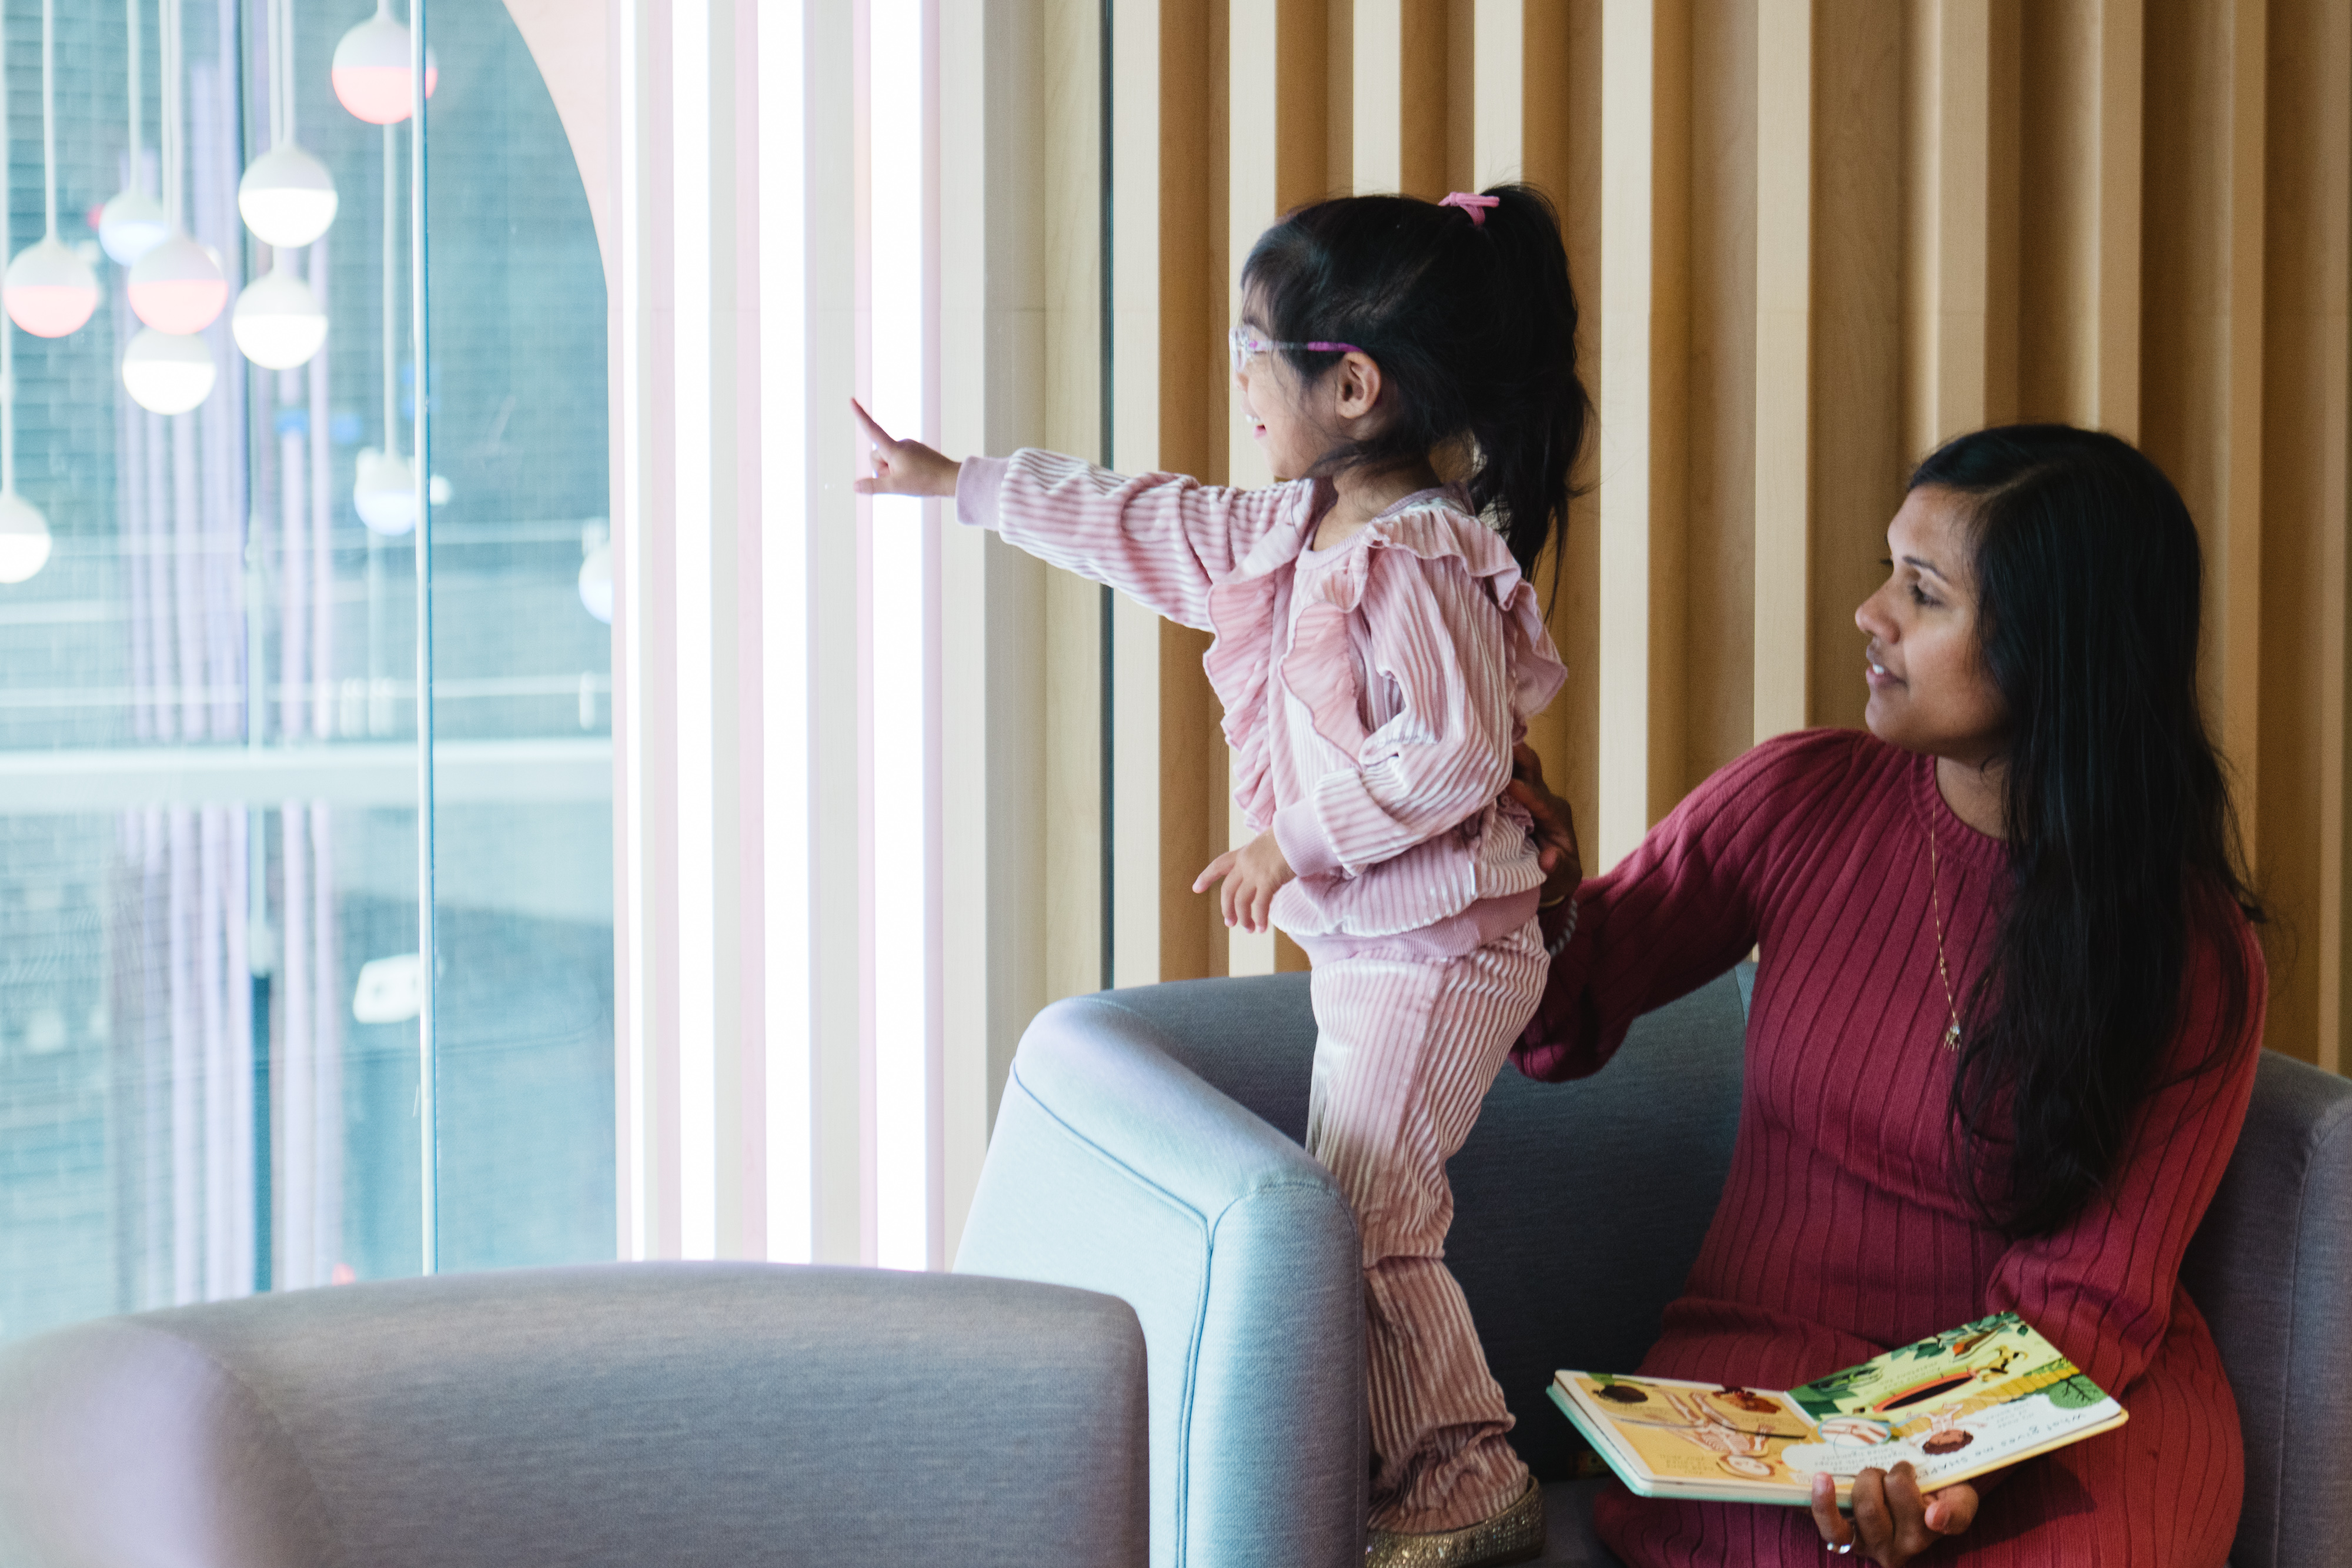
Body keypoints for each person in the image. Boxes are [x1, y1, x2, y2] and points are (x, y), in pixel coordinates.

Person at [859, 185, 1589, 1567]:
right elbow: (1136, 522)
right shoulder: (1286, 532)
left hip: (1445, 950)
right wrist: (959, 481)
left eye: (1254, 345)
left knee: (1368, 1215)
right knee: (1355, 1204)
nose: (1236, 375)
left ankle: (1464, 1479)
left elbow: (1448, 756)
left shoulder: (1418, 556)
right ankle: (1416, 1462)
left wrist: (1289, 837)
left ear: (1352, 384)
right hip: (1379, 945)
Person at [1507, 424, 2264, 1567]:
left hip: (2056, 1393)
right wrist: (1530, 889)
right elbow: (1558, 1021)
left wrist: (1942, 1453)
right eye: (1886, 571)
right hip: (1772, 1378)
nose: (1869, 613)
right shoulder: (1795, 798)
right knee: (1789, 1538)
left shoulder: (2184, 944)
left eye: (1920, 591)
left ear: (2053, 647)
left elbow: (2091, 1291)